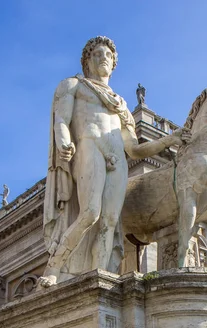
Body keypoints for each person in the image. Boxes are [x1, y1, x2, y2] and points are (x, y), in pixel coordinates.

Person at [39, 36, 190, 287]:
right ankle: (55, 267)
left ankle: (100, 278)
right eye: (98, 54)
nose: (104, 59)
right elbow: (61, 121)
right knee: (90, 212)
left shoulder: (121, 105)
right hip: (89, 146)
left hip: (117, 159)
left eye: (108, 55)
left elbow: (134, 150)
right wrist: (65, 143)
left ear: (114, 64)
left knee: (109, 222)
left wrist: (168, 141)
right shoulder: (73, 86)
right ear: (87, 61)